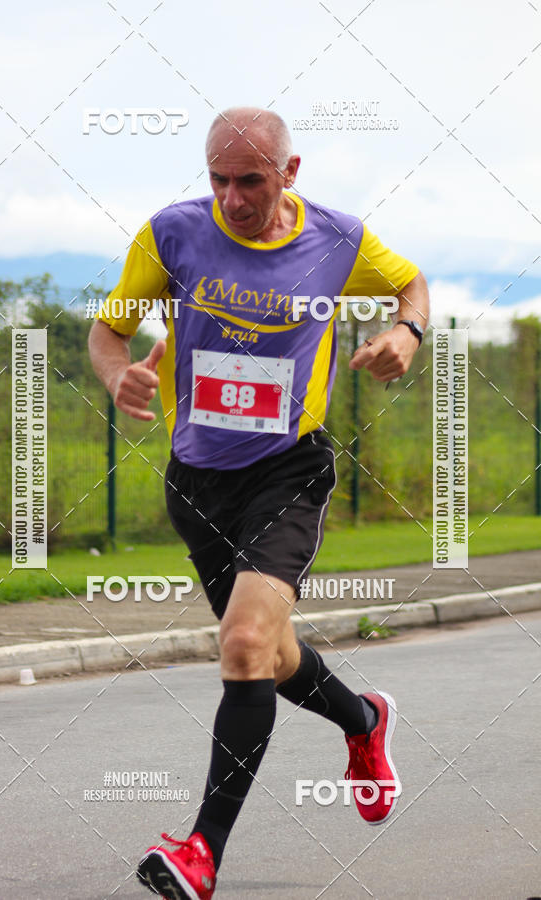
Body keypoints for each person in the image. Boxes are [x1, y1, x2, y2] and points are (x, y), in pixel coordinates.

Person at [88, 106, 429, 900]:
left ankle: (202, 851)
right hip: (196, 479)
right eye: (218, 179)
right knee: (265, 656)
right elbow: (108, 333)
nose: (232, 198)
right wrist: (117, 375)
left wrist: (407, 334)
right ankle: (364, 721)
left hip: (287, 471)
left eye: (250, 180)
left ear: (290, 172)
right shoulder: (171, 233)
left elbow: (409, 281)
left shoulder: (337, 238)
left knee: (242, 641)